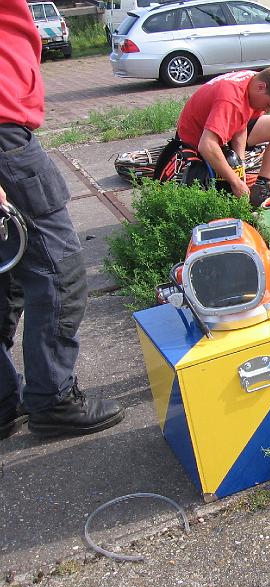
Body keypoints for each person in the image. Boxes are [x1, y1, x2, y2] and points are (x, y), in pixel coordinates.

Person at [0, 0, 125, 440]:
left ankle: (3, 404)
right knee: (59, 274)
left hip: (9, 134)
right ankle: (52, 401)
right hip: (4, 141)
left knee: (8, 274)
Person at [174, 67, 270, 208]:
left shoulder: (255, 81)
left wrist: (240, 165)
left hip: (222, 127)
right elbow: (206, 145)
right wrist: (236, 183)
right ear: (261, 87)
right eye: (268, 105)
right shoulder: (231, 99)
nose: (267, 110)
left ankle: (261, 188)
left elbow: (241, 124)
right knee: (227, 180)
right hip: (195, 138)